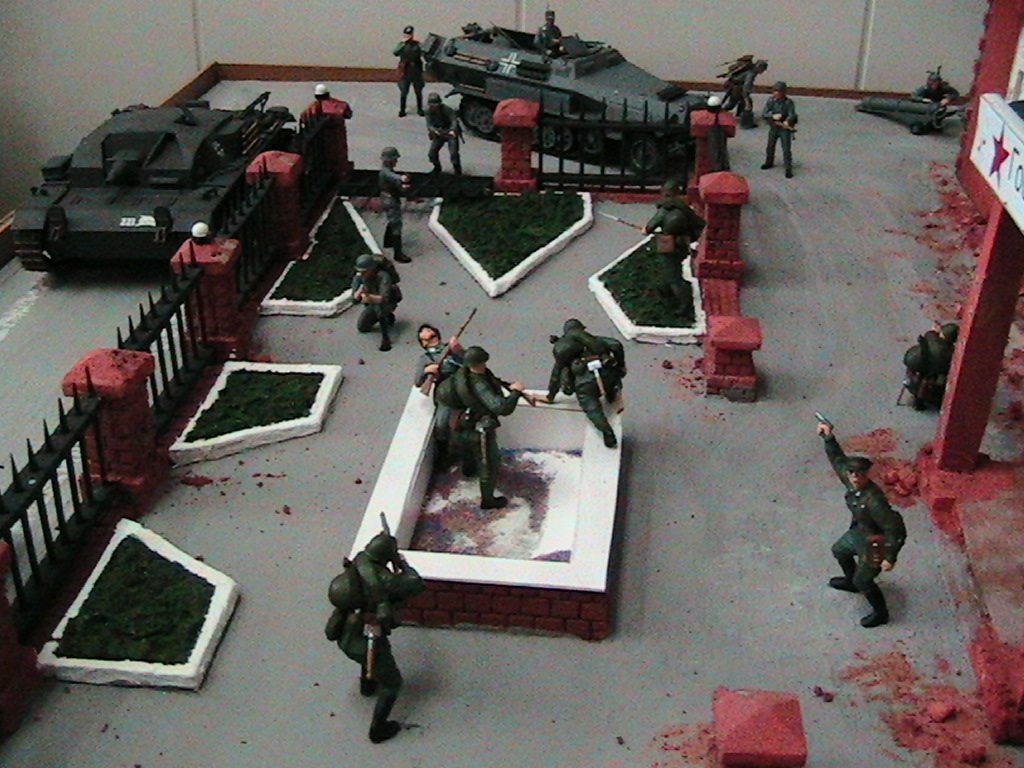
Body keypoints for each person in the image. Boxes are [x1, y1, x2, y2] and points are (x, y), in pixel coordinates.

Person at [325, 522, 425, 743]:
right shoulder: (385, 581)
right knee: (392, 683)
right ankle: (377, 729)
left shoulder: (360, 561)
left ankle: (367, 685)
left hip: (347, 632)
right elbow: (416, 583)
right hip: (366, 640)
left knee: (367, 659)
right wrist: (401, 563)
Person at [816, 419, 906, 628]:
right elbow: (838, 460)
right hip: (859, 532)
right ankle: (850, 582)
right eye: (852, 474)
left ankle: (880, 613)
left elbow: (895, 528)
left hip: (875, 542)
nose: (855, 477)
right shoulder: (852, 483)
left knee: (863, 580)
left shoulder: (875, 502)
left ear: (866, 475)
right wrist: (828, 437)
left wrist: (890, 557)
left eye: (859, 474)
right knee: (839, 551)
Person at [435, 346, 530, 510]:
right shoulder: (479, 384)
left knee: (468, 451)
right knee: (489, 464)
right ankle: (488, 500)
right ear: (483, 360)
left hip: (460, 423)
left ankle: (469, 470)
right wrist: (516, 392)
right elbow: (502, 408)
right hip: (479, 428)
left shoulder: (463, 374)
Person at [547, 319, 626, 448]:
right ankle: (611, 395)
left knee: (592, 408)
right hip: (607, 374)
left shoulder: (564, 353)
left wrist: (551, 395)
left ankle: (607, 432)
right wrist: (621, 365)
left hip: (585, 383)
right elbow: (616, 345)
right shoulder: (597, 341)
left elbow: (555, 376)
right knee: (611, 380)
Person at [644, 179, 705, 320]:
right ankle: (667, 291)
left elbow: (650, 227)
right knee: (671, 269)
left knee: (673, 276)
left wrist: (645, 230)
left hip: (669, 245)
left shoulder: (665, 210)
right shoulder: (685, 209)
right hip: (682, 244)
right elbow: (699, 224)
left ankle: (684, 304)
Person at [415, 323, 465, 468]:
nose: (428, 332)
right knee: (441, 424)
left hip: (462, 387)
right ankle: (444, 454)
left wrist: (459, 350)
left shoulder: (450, 348)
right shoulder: (425, 358)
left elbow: (470, 362)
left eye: (431, 333)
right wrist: (427, 370)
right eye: (425, 334)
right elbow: (417, 382)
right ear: (423, 343)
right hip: (444, 392)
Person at [903, 322, 959, 410]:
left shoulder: (931, 338)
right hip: (929, 372)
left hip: (917, 364)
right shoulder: (949, 352)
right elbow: (945, 368)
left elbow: (930, 333)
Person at [352, 253, 401, 352]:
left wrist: (369, 297)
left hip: (387, 303)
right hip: (371, 304)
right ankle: (386, 316)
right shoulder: (359, 277)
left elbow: (384, 298)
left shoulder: (383, 277)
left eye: (365, 271)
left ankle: (385, 338)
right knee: (362, 327)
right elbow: (354, 298)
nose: (362, 274)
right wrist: (358, 294)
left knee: (380, 310)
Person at [379, 146, 411, 263]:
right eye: (394, 159)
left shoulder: (388, 170)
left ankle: (388, 242)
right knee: (396, 224)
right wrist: (402, 178)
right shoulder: (386, 171)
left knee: (392, 220)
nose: (396, 161)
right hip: (390, 199)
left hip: (390, 197)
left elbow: (394, 183)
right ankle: (398, 254)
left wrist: (402, 187)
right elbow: (391, 177)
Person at [761, 81, 798, 178]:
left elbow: (792, 114)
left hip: (784, 129)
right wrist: (773, 116)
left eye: (779, 91)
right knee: (770, 146)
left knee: (786, 149)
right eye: (775, 91)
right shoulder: (771, 100)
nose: (776, 93)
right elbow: (764, 113)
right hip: (774, 126)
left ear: (784, 92)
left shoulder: (788, 102)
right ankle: (769, 162)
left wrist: (787, 121)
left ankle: (788, 168)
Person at [720, 57, 769, 129]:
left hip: (735, 88)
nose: (762, 71)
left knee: (737, 103)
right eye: (763, 69)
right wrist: (746, 97)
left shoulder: (750, 71)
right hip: (737, 89)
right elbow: (747, 86)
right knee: (743, 104)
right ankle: (746, 123)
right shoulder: (751, 74)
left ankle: (739, 115)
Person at [424, 93, 463, 175]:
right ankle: (437, 168)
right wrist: (434, 130)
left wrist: (452, 130)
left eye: (436, 105)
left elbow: (454, 120)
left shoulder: (447, 109)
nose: (434, 107)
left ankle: (457, 171)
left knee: (454, 153)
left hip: (449, 131)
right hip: (439, 132)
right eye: (432, 105)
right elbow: (429, 124)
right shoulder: (428, 111)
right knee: (432, 153)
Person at [394, 25, 425, 117]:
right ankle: (402, 110)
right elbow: (395, 52)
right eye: (407, 34)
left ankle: (420, 109)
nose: (408, 36)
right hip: (405, 71)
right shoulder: (402, 44)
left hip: (416, 70)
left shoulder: (417, 44)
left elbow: (423, 51)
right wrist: (403, 44)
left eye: (410, 34)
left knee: (418, 91)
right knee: (404, 91)